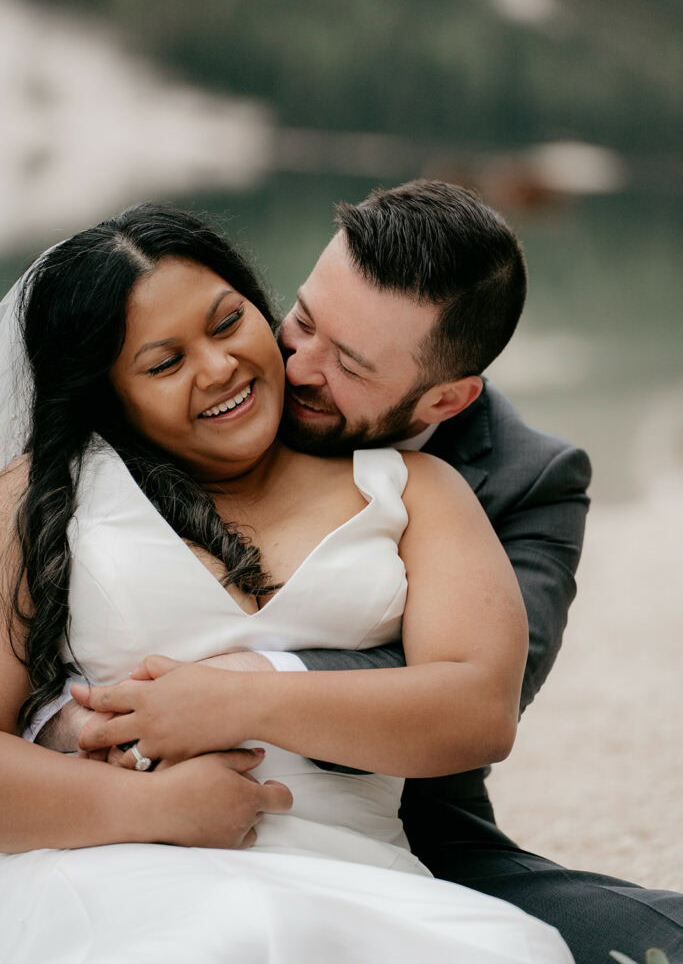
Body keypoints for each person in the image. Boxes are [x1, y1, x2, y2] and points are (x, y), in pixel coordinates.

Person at [32, 181, 683, 962]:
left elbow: (474, 696)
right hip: (110, 814)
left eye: (347, 363)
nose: (294, 365)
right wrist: (77, 722)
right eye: (302, 318)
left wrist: (239, 687)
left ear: (447, 397)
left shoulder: (523, 481)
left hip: (413, 829)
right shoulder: (208, 383)